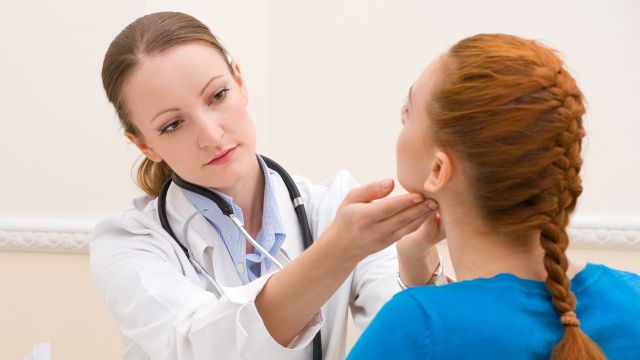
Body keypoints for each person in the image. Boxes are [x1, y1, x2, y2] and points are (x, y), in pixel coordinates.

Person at [92, 11, 445, 360]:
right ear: (145, 145)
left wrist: (415, 259)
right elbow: (197, 350)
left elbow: (414, 343)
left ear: (240, 84)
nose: (211, 136)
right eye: (173, 125)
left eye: (217, 96)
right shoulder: (129, 244)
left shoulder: (334, 207)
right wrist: (337, 251)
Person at [348, 34, 640, 359]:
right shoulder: (633, 299)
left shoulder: (415, 325)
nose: (402, 118)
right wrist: (417, 265)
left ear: (437, 169)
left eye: (410, 110)